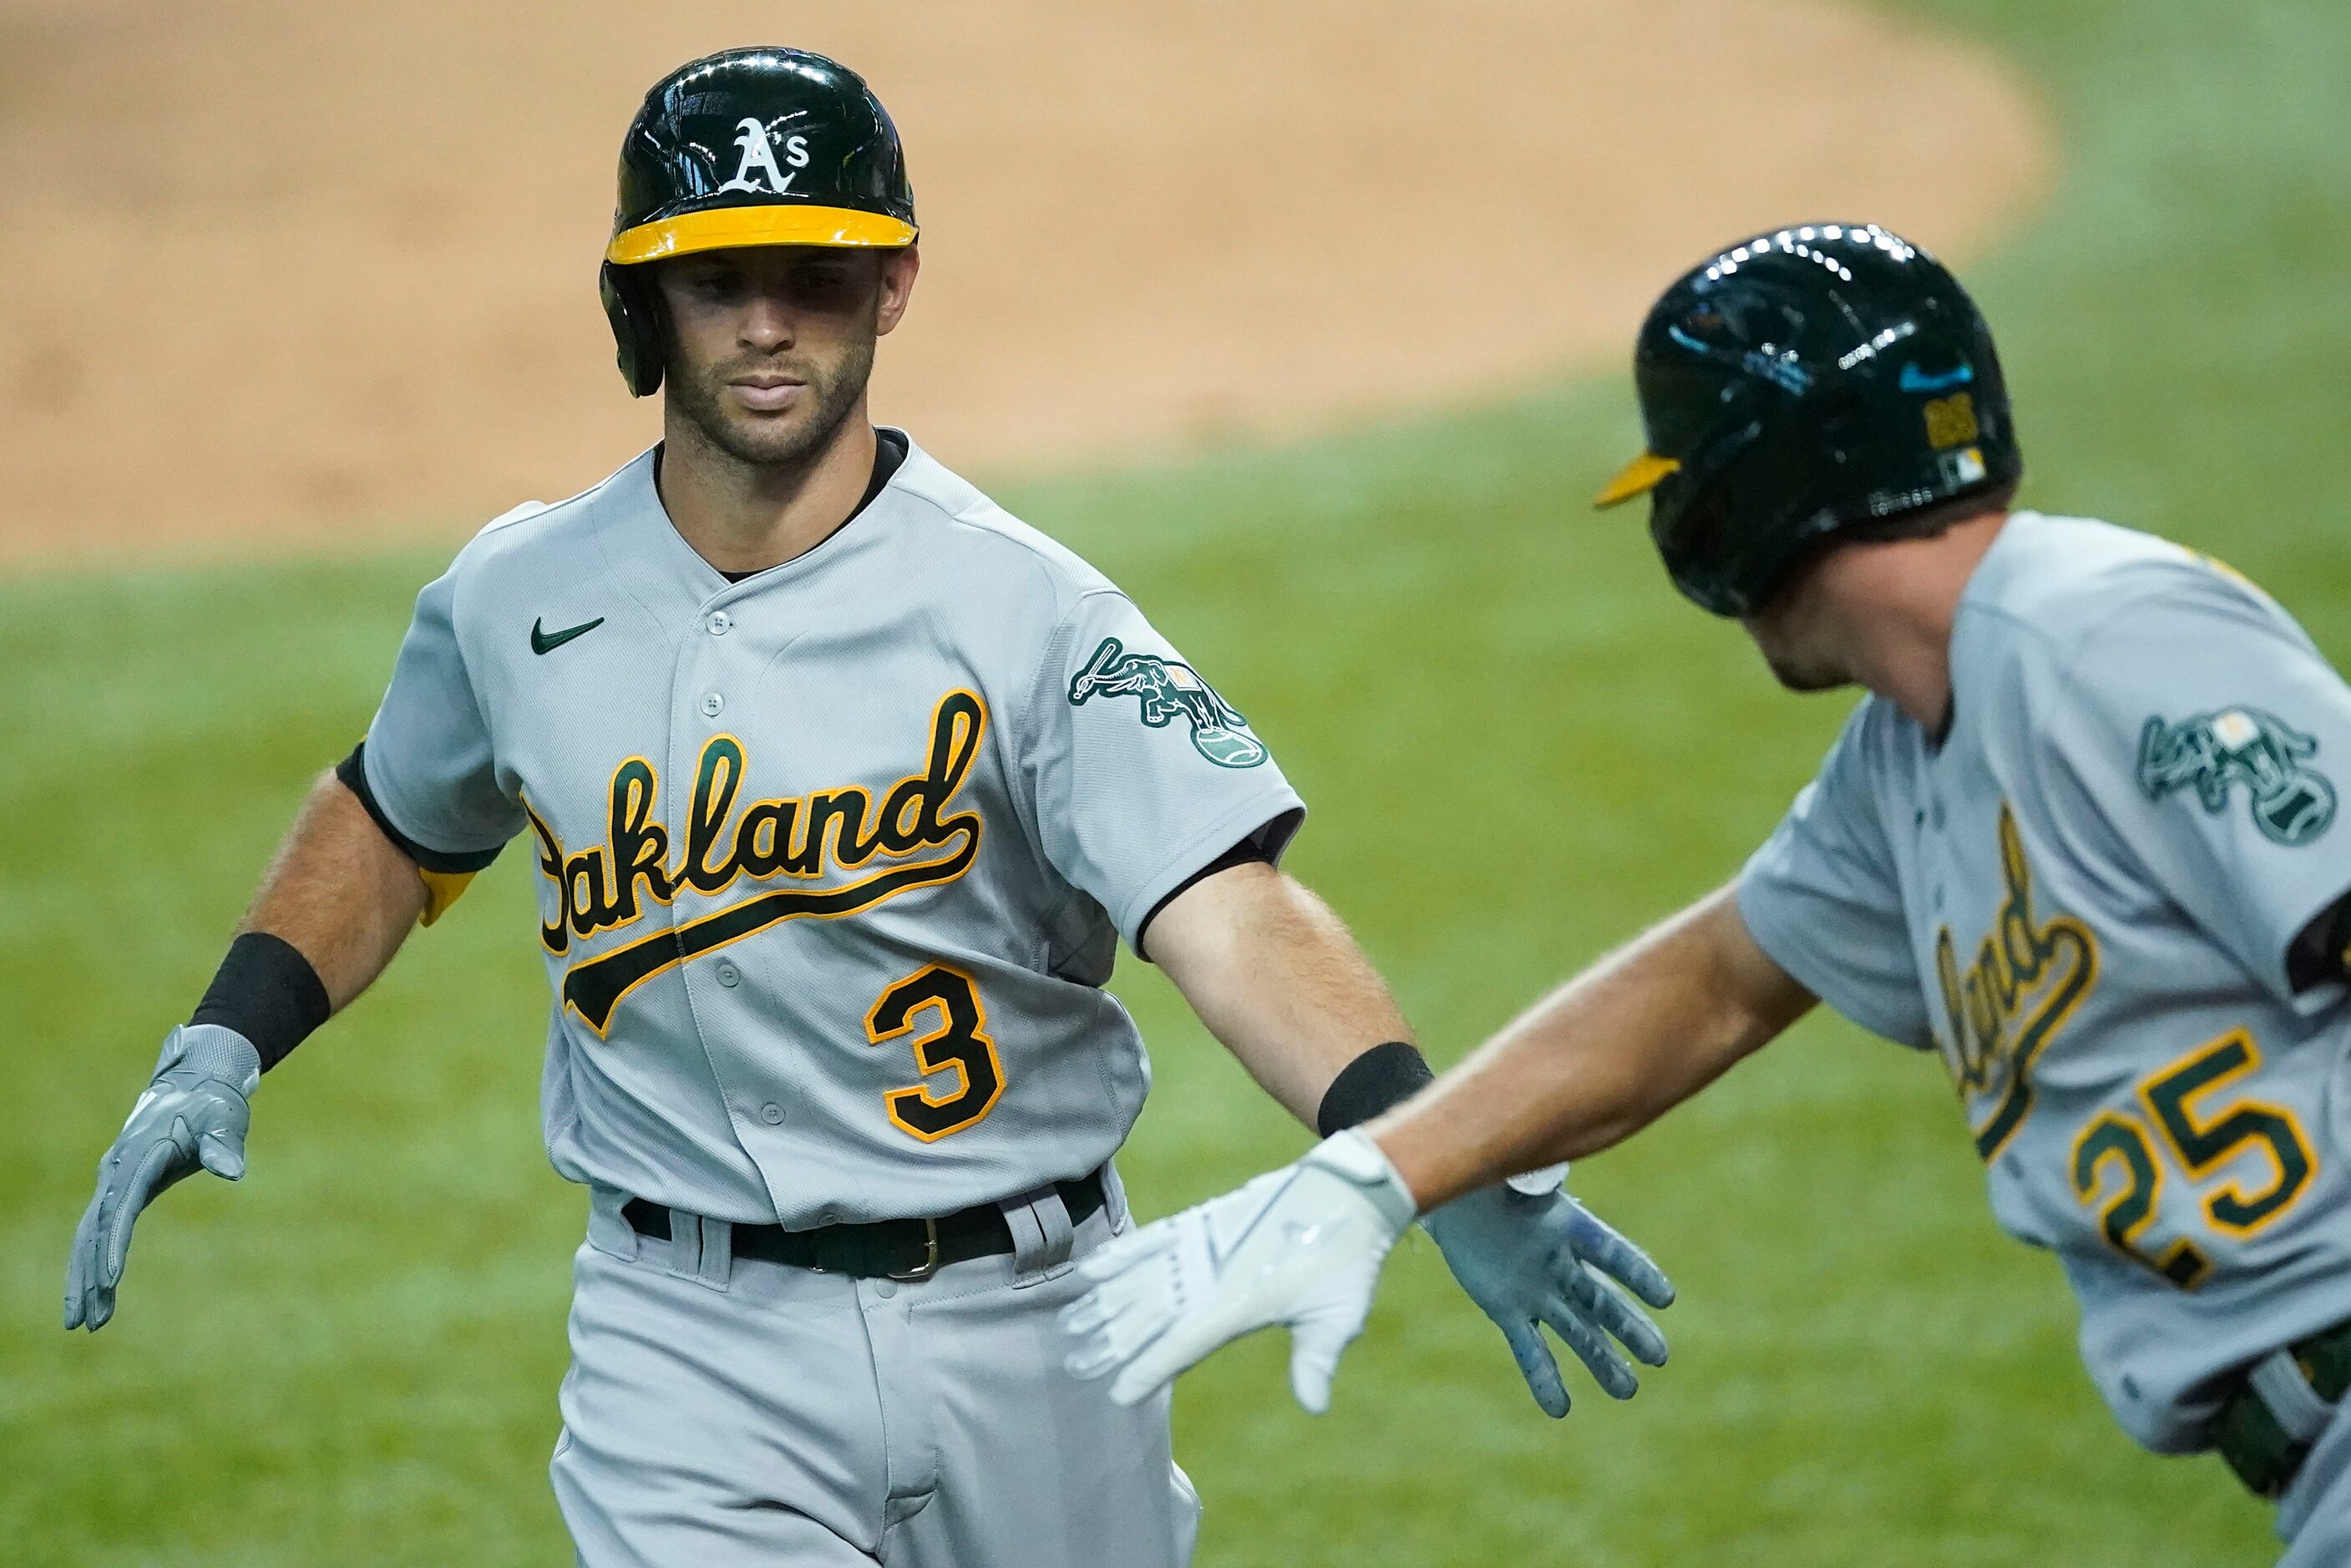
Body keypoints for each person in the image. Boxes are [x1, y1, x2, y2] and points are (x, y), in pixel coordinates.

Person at [63, 47, 1668, 1567]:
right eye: (717, 279)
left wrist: (1423, 1147)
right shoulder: (515, 598)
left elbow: (1228, 911)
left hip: (1040, 1326)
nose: (768, 326)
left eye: (817, 278)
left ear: (891, 284)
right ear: (644, 297)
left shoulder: (1031, 612)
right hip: (685, 1341)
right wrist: (226, 1031)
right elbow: (395, 814)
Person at [1062, 222, 2351, 1564]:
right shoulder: (1909, 758)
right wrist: (1385, 1173)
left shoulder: (2105, 637)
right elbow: (1714, 983)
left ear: (1750, 489)